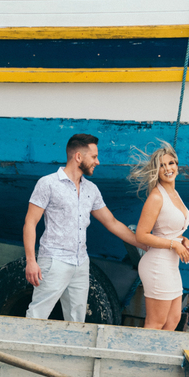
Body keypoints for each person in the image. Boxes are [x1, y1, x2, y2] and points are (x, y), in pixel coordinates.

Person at [23, 133, 142, 322]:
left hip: (80, 263)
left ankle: (71, 352)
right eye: (94, 157)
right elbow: (30, 222)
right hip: (55, 260)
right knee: (38, 313)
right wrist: (31, 260)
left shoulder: (91, 190)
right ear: (78, 156)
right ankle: (22, 350)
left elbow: (111, 222)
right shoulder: (48, 183)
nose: (98, 162)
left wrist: (144, 243)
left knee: (77, 319)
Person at [129, 142, 189, 330]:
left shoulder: (174, 193)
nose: (167, 168)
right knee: (155, 322)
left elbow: (171, 229)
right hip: (158, 265)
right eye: (161, 165)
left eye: (171, 163)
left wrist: (184, 240)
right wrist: (174, 245)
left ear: (177, 166)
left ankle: (157, 358)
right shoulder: (156, 197)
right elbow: (142, 235)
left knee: (173, 320)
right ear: (156, 170)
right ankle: (140, 359)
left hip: (171, 265)